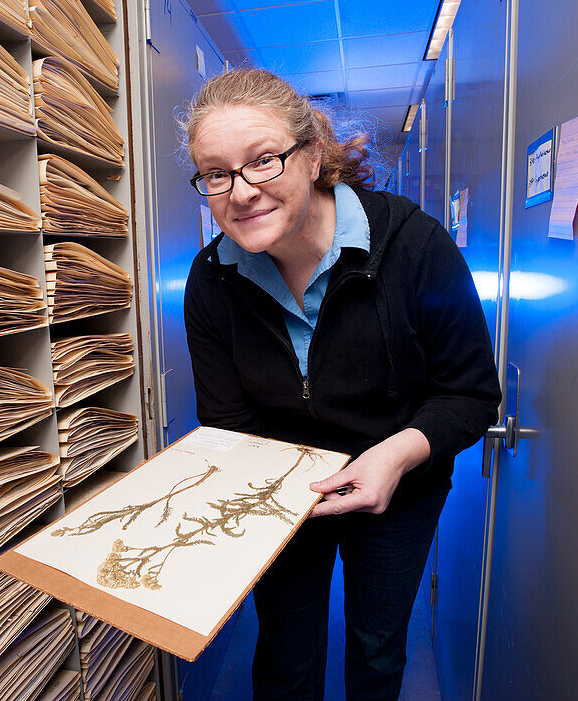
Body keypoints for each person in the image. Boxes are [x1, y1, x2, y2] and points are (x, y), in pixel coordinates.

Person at [180, 68, 500, 700]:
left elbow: (469, 394)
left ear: (313, 156)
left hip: (397, 489)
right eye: (217, 174)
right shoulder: (212, 278)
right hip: (280, 497)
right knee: (283, 653)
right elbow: (227, 420)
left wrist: (396, 454)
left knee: (377, 651)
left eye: (264, 161)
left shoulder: (413, 245)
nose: (241, 192)